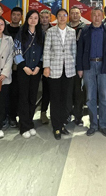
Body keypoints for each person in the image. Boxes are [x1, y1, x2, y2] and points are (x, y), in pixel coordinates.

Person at [77, 8, 106, 137]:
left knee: (104, 97)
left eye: (99, 15)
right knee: (90, 97)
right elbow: (80, 50)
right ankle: (93, 124)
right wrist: (80, 68)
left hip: (104, 66)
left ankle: (103, 124)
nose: (97, 17)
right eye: (94, 15)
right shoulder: (85, 31)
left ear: (102, 16)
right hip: (88, 66)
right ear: (91, 16)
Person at [43, 8, 77, 140]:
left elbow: (74, 50)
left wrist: (74, 66)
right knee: (55, 99)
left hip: (68, 70)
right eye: (60, 15)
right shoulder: (50, 31)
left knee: (66, 99)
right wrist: (46, 67)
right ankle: (56, 126)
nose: (62, 17)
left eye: (64, 15)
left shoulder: (72, 31)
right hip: (54, 69)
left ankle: (62, 124)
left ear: (67, 17)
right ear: (56, 17)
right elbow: (46, 50)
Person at [14, 10, 44, 139]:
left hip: (36, 71)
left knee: (33, 98)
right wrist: (23, 66)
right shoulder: (21, 32)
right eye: (30, 17)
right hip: (23, 70)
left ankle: (30, 123)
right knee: (23, 98)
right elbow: (16, 50)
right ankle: (24, 126)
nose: (33, 20)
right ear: (27, 19)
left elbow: (44, 52)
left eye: (35, 18)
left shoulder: (41, 34)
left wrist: (39, 66)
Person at [5, 7, 24, 129]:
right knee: (4, 93)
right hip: (4, 66)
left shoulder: (23, 30)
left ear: (21, 17)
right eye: (14, 14)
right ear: (10, 15)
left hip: (18, 67)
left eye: (18, 15)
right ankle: (4, 116)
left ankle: (13, 116)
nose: (16, 17)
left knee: (16, 93)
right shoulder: (4, 29)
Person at [67, 6, 86, 126]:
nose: (75, 15)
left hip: (79, 65)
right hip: (66, 65)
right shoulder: (64, 27)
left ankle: (78, 116)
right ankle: (67, 114)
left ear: (80, 15)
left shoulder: (85, 29)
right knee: (67, 91)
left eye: (77, 13)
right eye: (72, 13)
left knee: (79, 92)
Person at [39, 9, 53, 125]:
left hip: (48, 64)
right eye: (42, 17)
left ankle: (44, 112)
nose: (44, 19)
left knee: (48, 89)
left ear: (50, 18)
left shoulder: (54, 30)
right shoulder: (34, 29)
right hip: (36, 64)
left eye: (46, 17)